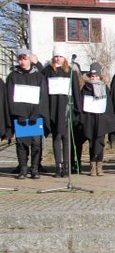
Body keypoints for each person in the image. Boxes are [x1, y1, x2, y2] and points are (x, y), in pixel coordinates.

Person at [6, 48, 49, 180]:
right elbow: (10, 97)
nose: (23, 62)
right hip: (20, 116)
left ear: (29, 59)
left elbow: (43, 97)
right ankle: (23, 168)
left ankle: (35, 169)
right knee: (21, 144)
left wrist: (37, 114)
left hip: (35, 117)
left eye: (25, 59)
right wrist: (18, 114)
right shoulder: (13, 76)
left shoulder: (38, 76)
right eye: (20, 59)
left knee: (36, 144)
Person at [72, 62, 115, 176]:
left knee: (100, 141)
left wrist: (109, 119)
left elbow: (108, 105)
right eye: (92, 76)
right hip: (89, 119)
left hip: (101, 119)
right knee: (91, 142)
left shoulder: (105, 88)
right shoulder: (86, 88)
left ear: (100, 76)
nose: (94, 79)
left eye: (96, 76)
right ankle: (92, 164)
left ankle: (99, 164)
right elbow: (82, 103)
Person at [42, 46, 79, 177]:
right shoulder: (47, 71)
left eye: (61, 56)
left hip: (67, 108)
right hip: (53, 108)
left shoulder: (70, 72)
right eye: (56, 56)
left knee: (66, 138)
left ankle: (67, 165)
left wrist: (77, 110)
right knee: (56, 137)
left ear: (65, 58)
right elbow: (44, 91)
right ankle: (58, 165)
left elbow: (76, 92)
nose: (58, 59)